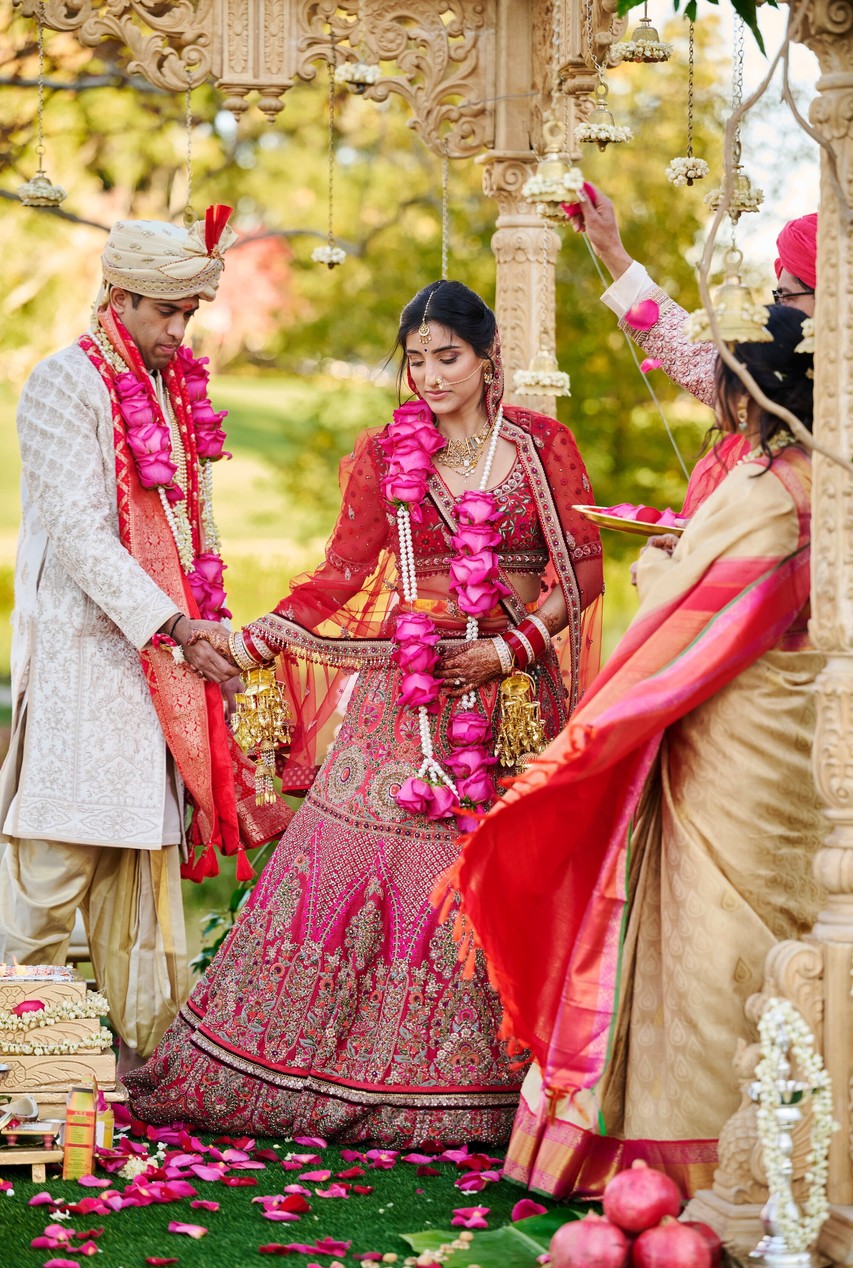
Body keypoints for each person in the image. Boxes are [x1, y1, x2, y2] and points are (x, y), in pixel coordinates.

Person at [126, 279, 605, 1144]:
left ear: (487, 354)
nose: (427, 375)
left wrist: (507, 650)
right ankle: (308, 1072)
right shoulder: (390, 454)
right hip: (406, 700)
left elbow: (582, 567)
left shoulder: (540, 447)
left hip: (512, 700)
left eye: (446, 357)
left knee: (496, 870)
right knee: (355, 863)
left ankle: (499, 1097)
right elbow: (341, 576)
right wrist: (251, 641)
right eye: (415, 359)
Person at [455, 306, 823, 1198]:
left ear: (748, 401)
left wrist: (656, 567)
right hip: (806, 731)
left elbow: (689, 615)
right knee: (786, 915)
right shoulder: (832, 478)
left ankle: (688, 1155)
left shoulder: (768, 489)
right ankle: (800, 1142)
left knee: (702, 925)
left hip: (729, 727)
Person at [0, 208, 289, 1070]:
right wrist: (175, 626)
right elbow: (83, 535)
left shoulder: (165, 390)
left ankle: (149, 1071)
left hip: (155, 679)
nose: (180, 330)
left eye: (188, 314)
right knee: (48, 881)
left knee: (142, 888)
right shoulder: (64, 383)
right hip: (87, 673)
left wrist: (187, 633)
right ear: (119, 298)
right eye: (166, 311)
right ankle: (24, 1079)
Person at [570, 183, 817, 411]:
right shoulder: (776, 376)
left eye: (787, 297)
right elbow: (694, 357)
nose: (777, 311)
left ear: (833, 298)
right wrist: (611, 251)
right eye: (778, 297)